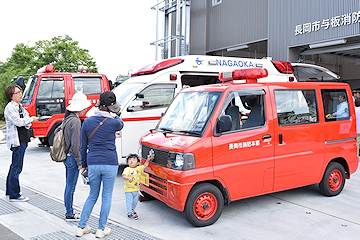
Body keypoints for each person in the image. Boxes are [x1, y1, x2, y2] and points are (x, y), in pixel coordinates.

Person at [76, 91, 124, 238]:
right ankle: (101, 229)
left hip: (93, 162)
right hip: (110, 162)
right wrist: (114, 114)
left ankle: (81, 226)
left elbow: (83, 146)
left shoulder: (88, 122)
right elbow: (121, 124)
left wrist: (84, 165)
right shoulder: (114, 122)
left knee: (92, 195)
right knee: (107, 196)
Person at [4, 84, 39, 202]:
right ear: (11, 96)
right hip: (16, 141)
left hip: (22, 139)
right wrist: (30, 119)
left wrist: (30, 120)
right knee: (16, 167)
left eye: (20, 92)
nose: (20, 94)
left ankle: (10, 190)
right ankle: (14, 195)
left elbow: (26, 119)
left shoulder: (20, 107)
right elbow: (18, 122)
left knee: (14, 166)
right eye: (17, 93)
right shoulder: (10, 107)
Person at [62, 92, 91, 221]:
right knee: (71, 186)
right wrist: (80, 162)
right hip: (72, 158)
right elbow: (76, 145)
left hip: (66, 156)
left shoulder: (67, 119)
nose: (86, 109)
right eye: (85, 107)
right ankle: (69, 213)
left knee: (69, 185)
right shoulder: (75, 121)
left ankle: (69, 211)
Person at [122, 153, 150, 220]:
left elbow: (145, 166)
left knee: (135, 201)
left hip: (136, 189)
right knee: (129, 201)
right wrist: (128, 178)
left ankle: (132, 210)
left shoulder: (139, 168)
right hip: (128, 190)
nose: (131, 161)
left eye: (134, 160)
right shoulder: (127, 169)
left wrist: (148, 160)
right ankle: (129, 213)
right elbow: (124, 175)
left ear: (137, 163)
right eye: (130, 160)